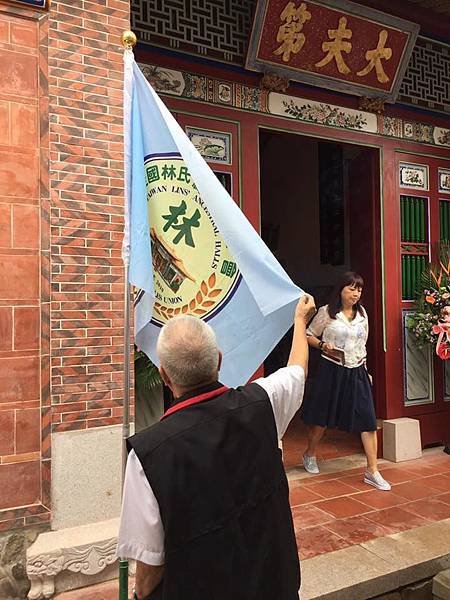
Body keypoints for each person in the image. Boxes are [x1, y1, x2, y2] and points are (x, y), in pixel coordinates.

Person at [117, 294, 316, 600]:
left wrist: (139, 594)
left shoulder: (148, 455)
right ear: (220, 360)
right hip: (273, 587)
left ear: (164, 375)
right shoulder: (263, 404)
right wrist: (300, 322)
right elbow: (297, 371)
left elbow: (149, 564)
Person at [300, 272, 391, 491]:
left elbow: (364, 343)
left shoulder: (362, 314)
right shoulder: (327, 312)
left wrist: (366, 370)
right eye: (351, 288)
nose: (356, 293)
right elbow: (308, 334)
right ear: (340, 290)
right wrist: (322, 346)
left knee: (368, 418)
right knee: (322, 416)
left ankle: (372, 470)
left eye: (359, 289)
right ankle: (310, 453)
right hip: (331, 368)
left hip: (357, 368)